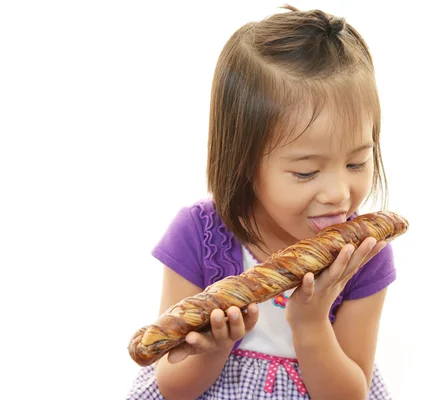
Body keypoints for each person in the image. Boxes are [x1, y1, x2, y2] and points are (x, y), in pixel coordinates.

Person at [128, 4, 398, 400]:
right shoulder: (197, 235)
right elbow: (172, 387)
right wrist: (215, 346)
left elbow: (349, 394)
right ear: (245, 164)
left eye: (357, 162)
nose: (340, 193)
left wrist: (310, 324)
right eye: (306, 172)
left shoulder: (364, 254)